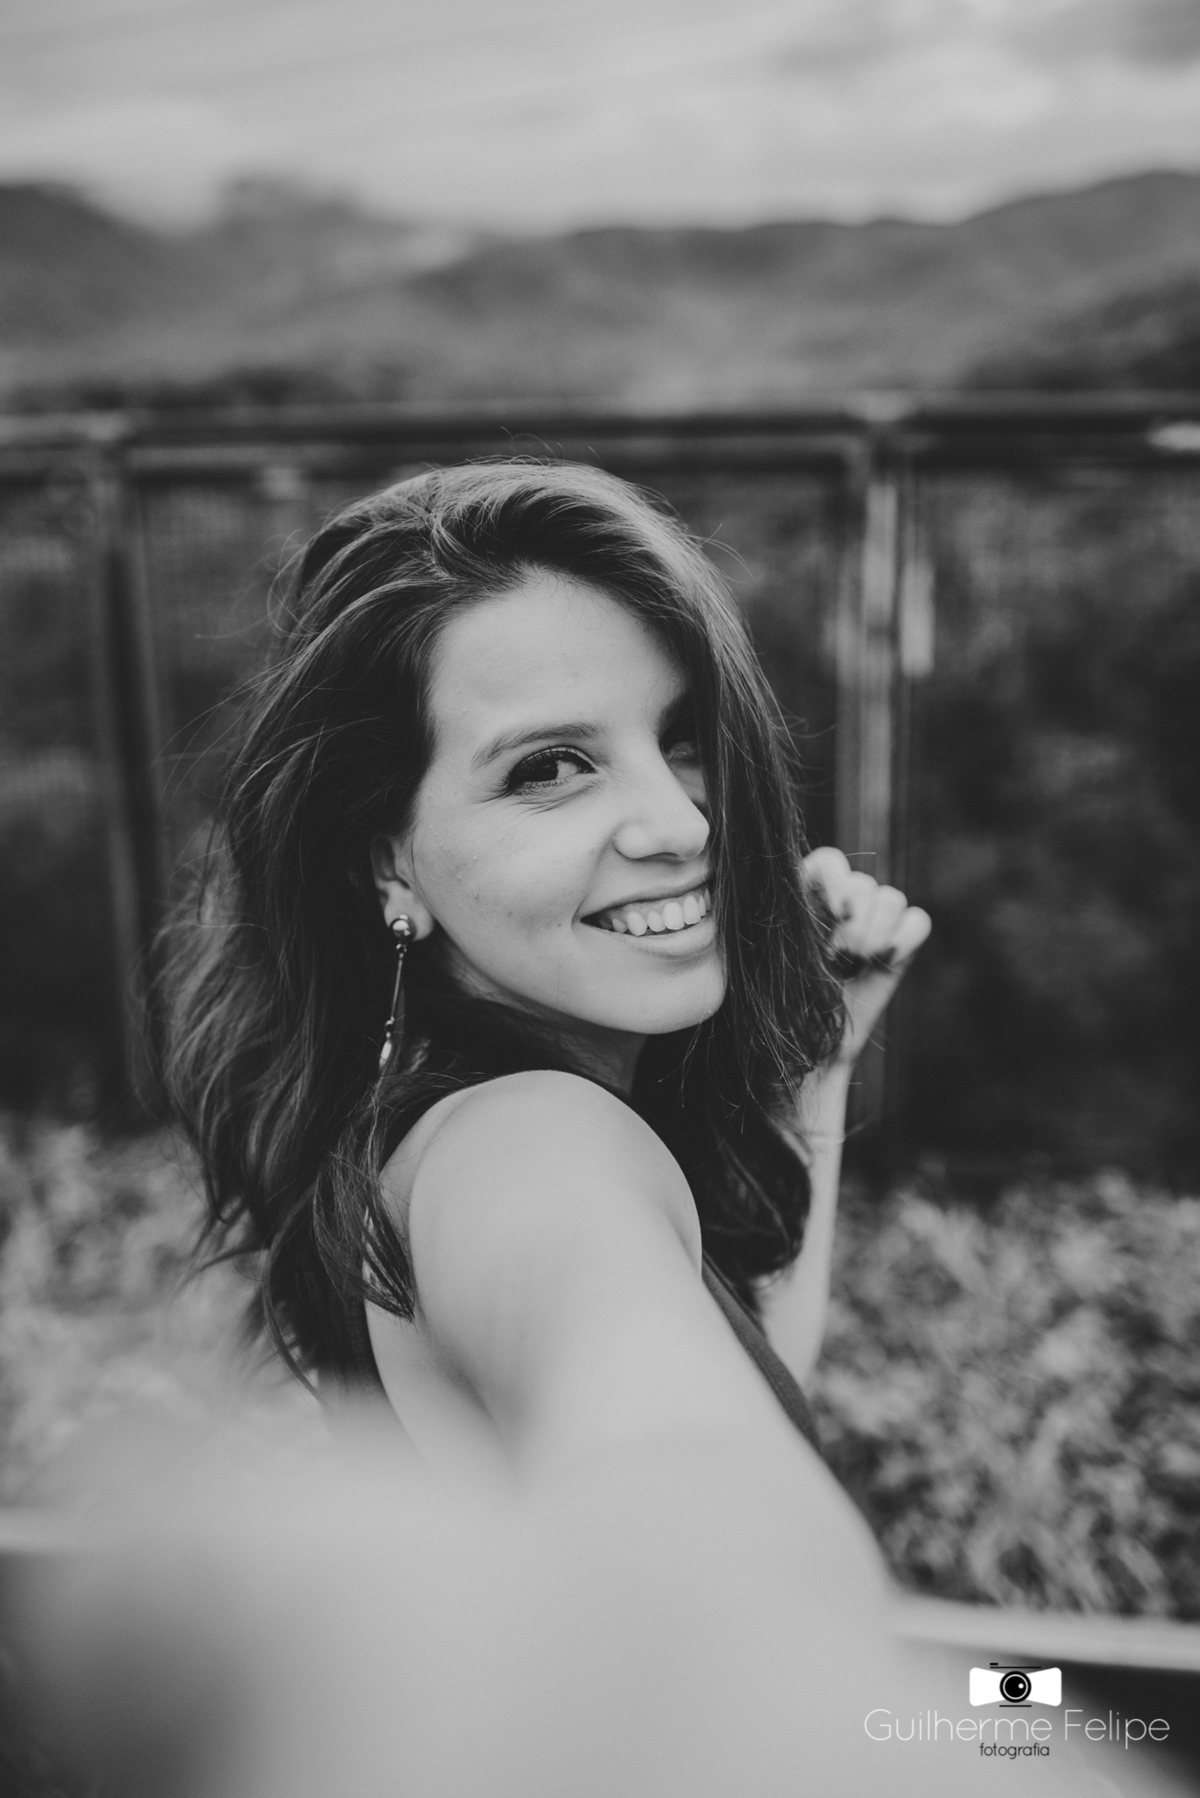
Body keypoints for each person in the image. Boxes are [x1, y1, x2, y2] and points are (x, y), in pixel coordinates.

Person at [165, 458, 931, 1489]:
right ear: (389, 863)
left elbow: (746, 1409)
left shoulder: (424, 1130)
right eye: (549, 767)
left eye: (684, 739)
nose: (681, 825)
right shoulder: (533, 1147)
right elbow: (695, 1482)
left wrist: (816, 1074)